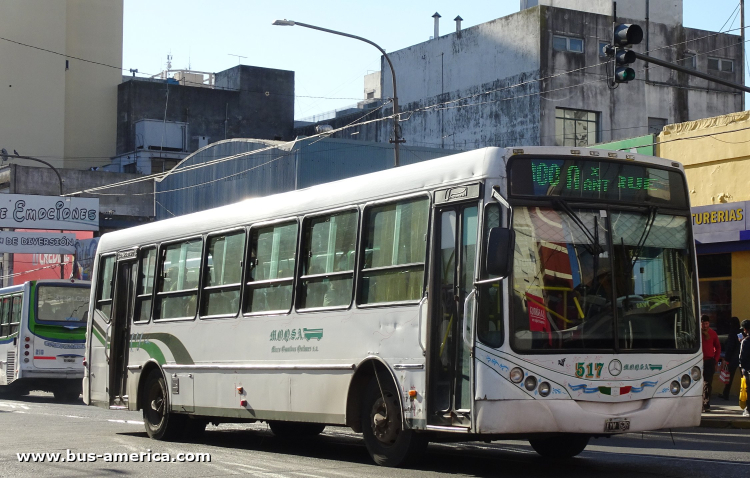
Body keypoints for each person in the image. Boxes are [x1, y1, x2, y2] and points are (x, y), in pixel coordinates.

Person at [701, 315, 721, 412]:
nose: (705, 326)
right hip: (698, 362)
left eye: (706, 323)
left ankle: (706, 404)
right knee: (698, 384)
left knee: (708, 383)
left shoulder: (713, 334)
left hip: (709, 361)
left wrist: (715, 360)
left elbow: (718, 347)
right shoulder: (696, 334)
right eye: (703, 324)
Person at [721, 317, 742, 400]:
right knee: (744, 377)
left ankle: (726, 394)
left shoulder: (732, 332)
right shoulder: (740, 333)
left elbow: (730, 347)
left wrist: (726, 359)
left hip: (733, 358)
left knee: (729, 377)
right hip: (741, 357)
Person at [739, 320, 750, 417]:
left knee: (748, 390)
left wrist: (742, 368)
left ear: (745, 329)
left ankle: (748, 409)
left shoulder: (745, 341)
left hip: (748, 370)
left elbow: (742, 358)